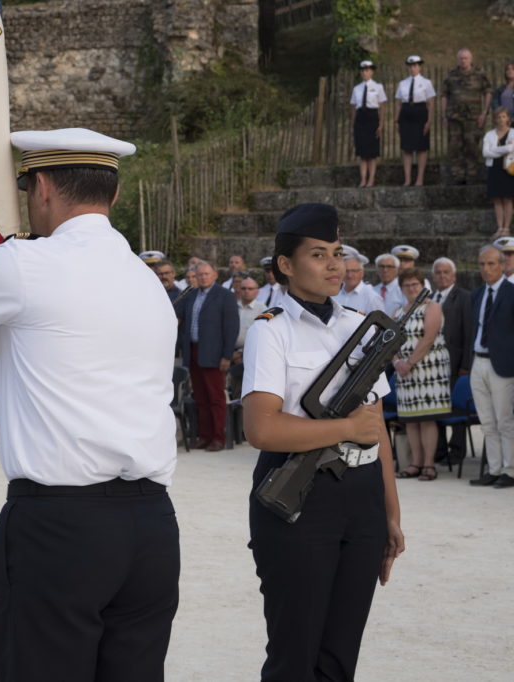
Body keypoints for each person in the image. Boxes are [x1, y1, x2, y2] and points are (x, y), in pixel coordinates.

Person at [0, 128, 180, 682]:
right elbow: (39, 397)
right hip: (150, 528)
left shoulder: (21, 264)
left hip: (60, 529)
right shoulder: (146, 282)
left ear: (40, 187)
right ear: (112, 195)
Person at [242, 203, 404, 682]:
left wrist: (389, 513)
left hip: (361, 496)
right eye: (319, 254)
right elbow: (262, 429)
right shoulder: (271, 331)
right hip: (298, 498)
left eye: (337, 253)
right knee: (295, 653)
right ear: (285, 266)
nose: (335, 265)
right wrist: (344, 429)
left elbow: (376, 429)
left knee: (339, 658)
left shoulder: (360, 326)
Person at [391, 269, 451, 481]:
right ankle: (414, 463)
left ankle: (429, 465)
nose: (412, 289)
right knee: (410, 420)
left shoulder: (432, 306)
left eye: (415, 284)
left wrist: (410, 362)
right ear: (401, 288)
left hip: (429, 369)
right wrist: (397, 361)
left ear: (422, 284)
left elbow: (429, 337)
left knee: (426, 419)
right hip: (405, 373)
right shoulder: (398, 311)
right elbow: (392, 340)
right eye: (407, 285)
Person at [175, 260, 239, 451]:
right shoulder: (191, 295)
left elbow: (231, 328)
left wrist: (227, 355)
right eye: (199, 274)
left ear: (215, 275)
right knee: (200, 397)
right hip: (193, 350)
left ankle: (218, 437)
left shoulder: (225, 296)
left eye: (206, 274)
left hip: (214, 353)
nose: (202, 277)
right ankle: (204, 436)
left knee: (215, 397)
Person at [468, 246, 514, 488]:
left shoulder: (512, 292)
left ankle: (510, 469)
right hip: (478, 362)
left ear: (502, 265)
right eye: (482, 264)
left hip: (503, 365)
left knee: (504, 420)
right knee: (487, 421)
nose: (486, 269)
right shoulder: (477, 294)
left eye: (491, 264)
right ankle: (494, 469)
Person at [430, 257, 474, 462]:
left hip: (456, 364)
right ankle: (439, 451)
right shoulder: (429, 298)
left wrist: (466, 365)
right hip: (433, 366)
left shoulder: (464, 297)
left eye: (446, 272)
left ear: (454, 275)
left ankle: (456, 452)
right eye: (438, 272)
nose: (442, 276)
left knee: (456, 409)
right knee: (435, 408)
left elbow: (469, 333)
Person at [442, 49, 491, 186]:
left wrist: (484, 112)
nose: (463, 61)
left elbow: (488, 92)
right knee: (455, 147)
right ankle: (457, 175)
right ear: (457, 60)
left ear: (471, 59)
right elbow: (444, 95)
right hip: (454, 117)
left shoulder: (479, 75)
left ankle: (472, 175)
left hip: (473, 117)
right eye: (461, 58)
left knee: (472, 145)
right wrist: (444, 115)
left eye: (466, 58)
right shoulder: (451, 76)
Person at [395, 55, 436, 187]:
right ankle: (407, 179)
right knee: (406, 148)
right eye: (410, 66)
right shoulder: (402, 83)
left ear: (420, 67)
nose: (413, 68)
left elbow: (430, 103)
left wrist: (429, 120)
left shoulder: (426, 83)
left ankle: (420, 178)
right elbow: (398, 103)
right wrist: (396, 120)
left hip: (420, 112)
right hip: (406, 114)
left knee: (421, 148)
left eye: (415, 66)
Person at [351, 60, 388, 188]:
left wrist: (381, 124)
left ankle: (371, 179)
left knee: (372, 153)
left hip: (372, 117)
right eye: (362, 70)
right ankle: (363, 179)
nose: (364, 73)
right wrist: (353, 124)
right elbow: (354, 107)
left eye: (367, 70)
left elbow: (382, 107)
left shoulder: (378, 87)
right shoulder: (357, 88)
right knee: (362, 153)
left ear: (372, 71)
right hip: (361, 119)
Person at [482, 108, 514, 238]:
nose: (501, 120)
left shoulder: (512, 133)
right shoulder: (489, 134)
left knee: (507, 198)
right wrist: (504, 149)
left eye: (503, 117)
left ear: (508, 118)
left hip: (508, 168)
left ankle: (507, 227)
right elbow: (485, 152)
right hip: (494, 168)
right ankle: (499, 227)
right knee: (497, 199)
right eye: (498, 117)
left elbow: (512, 149)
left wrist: (495, 150)